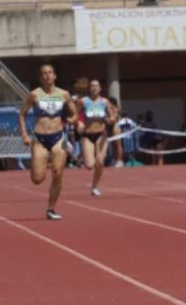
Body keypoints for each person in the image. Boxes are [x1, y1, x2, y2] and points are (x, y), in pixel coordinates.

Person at [19, 63, 77, 220]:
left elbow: (74, 113)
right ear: (40, 77)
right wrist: (24, 134)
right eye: (44, 73)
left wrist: (73, 118)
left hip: (59, 137)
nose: (47, 75)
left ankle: (51, 208)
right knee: (37, 179)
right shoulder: (34, 95)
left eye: (50, 72)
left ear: (55, 76)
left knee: (58, 174)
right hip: (39, 138)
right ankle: (43, 161)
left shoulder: (64, 94)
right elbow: (22, 114)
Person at [78, 79, 116, 196]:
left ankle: (94, 186)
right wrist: (79, 122)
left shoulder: (104, 102)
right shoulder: (83, 101)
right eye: (92, 86)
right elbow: (75, 114)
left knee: (100, 161)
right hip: (87, 135)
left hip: (101, 134)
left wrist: (110, 120)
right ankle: (84, 160)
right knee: (90, 165)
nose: (94, 88)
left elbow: (113, 116)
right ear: (89, 88)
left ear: (100, 88)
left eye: (96, 86)